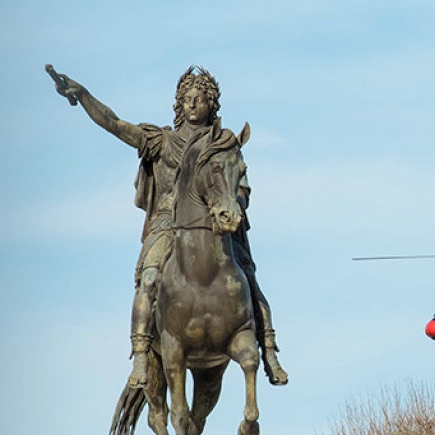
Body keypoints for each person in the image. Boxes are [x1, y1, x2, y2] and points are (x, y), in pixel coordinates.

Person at [49, 66, 288, 387]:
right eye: (187, 99)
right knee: (149, 276)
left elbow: (240, 186)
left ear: (210, 104)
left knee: (246, 274)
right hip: (168, 223)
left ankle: (269, 348)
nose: (192, 104)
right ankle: (141, 354)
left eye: (199, 99)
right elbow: (116, 125)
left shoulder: (224, 143)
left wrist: (235, 206)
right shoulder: (162, 141)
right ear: (179, 104)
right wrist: (84, 95)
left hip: (217, 223)